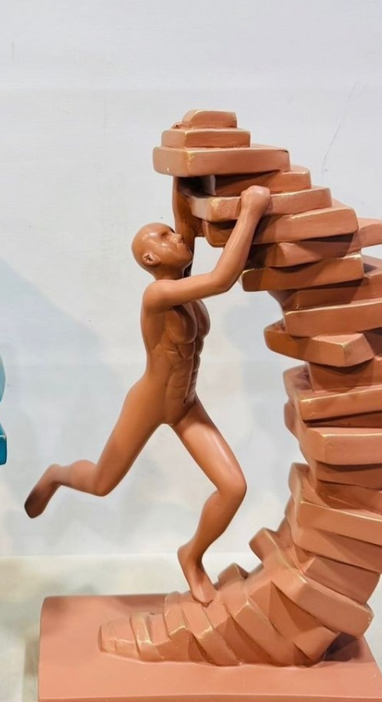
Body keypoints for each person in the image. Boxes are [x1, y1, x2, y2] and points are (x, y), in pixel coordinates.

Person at [24, 184, 272, 603]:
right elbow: (222, 279)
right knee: (102, 483)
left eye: (170, 232)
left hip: (186, 405)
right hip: (150, 402)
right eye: (163, 236)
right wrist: (250, 211)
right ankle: (57, 475)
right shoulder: (157, 294)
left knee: (233, 488)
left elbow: (185, 222)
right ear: (151, 260)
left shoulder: (181, 282)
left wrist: (185, 181)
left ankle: (191, 555)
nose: (176, 237)